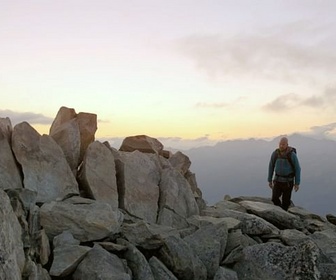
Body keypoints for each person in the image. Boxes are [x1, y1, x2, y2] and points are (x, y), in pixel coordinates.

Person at [268, 137, 301, 211]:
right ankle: (281, 213)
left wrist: (297, 183)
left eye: (283, 144)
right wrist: (269, 180)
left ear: (287, 144)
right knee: (274, 198)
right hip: (277, 181)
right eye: (280, 144)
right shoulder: (275, 153)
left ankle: (284, 215)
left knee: (286, 202)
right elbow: (271, 166)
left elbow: (297, 168)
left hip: (288, 182)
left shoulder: (291, 154)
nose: (281, 146)